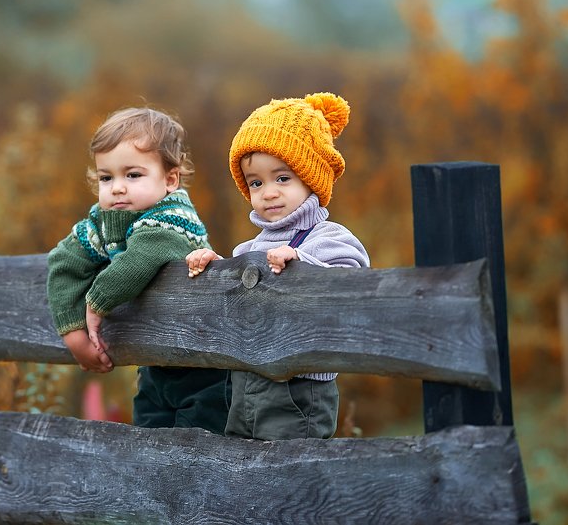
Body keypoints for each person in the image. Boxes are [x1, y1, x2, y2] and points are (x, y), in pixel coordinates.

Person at [186, 92, 370, 440]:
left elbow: (353, 277)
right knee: (243, 462)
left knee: (289, 466)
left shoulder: (327, 237)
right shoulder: (250, 248)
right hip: (247, 381)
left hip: (298, 389)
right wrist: (215, 268)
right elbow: (239, 292)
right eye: (256, 183)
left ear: (311, 178)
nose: (268, 192)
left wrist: (303, 264)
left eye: (282, 178)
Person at [46, 107, 230, 434]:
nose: (117, 187)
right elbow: (64, 262)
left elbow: (143, 256)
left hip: (205, 362)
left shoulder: (174, 218)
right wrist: (74, 335)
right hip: (154, 364)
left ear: (170, 179)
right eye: (106, 177)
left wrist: (97, 302)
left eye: (132, 175)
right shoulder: (102, 223)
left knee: (197, 448)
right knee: (147, 441)